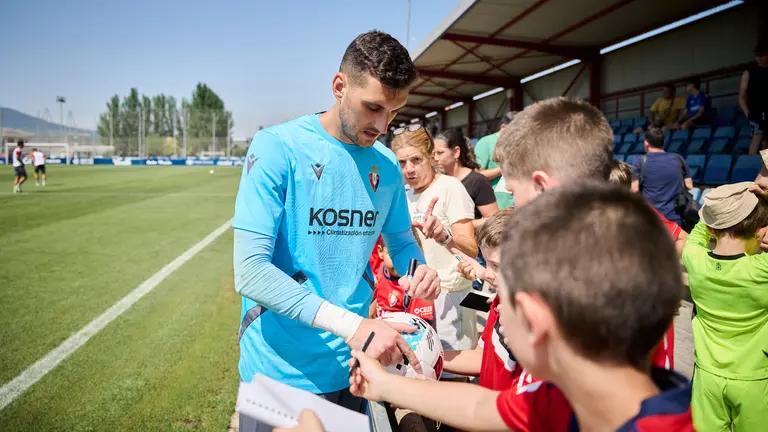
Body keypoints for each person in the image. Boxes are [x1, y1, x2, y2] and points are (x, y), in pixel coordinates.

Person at [349, 183, 692, 431]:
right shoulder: (569, 392)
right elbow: (482, 405)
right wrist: (388, 383)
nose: (498, 317)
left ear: (534, 319)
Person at [232, 30, 441, 429]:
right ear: (339, 86)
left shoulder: (386, 166)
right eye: (373, 107)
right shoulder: (278, 147)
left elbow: (400, 242)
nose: (382, 125)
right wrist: (354, 326)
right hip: (278, 373)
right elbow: (251, 271)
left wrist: (419, 271)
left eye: (395, 112)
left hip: (356, 367)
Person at [390, 124, 479, 373]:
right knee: (422, 371)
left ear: (431, 157)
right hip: (418, 297)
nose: (409, 169)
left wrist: (443, 234)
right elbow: (393, 257)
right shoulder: (404, 196)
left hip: (453, 297)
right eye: (402, 162)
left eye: (416, 160)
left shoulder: (450, 187)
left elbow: (471, 248)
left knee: (453, 372)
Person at [683, 182, 768, 431]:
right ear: (760, 232)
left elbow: (701, 232)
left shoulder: (694, 259)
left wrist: (720, 208)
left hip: (706, 378)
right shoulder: (761, 270)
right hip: (754, 379)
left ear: (711, 226)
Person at [631, 127, 694, 228]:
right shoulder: (678, 159)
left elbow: (634, 189)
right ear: (664, 142)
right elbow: (689, 186)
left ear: (646, 143)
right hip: (675, 218)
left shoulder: (640, 161)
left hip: (650, 218)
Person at [434, 128, 498, 227]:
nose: (436, 158)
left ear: (456, 152)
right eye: (434, 154)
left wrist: (459, 226)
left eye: (440, 153)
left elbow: (492, 218)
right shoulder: (439, 181)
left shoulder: (477, 181)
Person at [474, 111, 516, 209]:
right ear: (503, 127)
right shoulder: (485, 143)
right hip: (495, 207)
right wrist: (504, 169)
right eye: (515, 131)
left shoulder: (519, 143)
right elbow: (477, 175)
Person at [740, 42, 768, 155]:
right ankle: (750, 164)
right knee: (757, 137)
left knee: (766, 140)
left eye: (762, 55)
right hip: (756, 112)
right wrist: (747, 113)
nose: (759, 58)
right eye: (757, 55)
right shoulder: (749, 72)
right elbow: (741, 96)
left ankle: (766, 169)